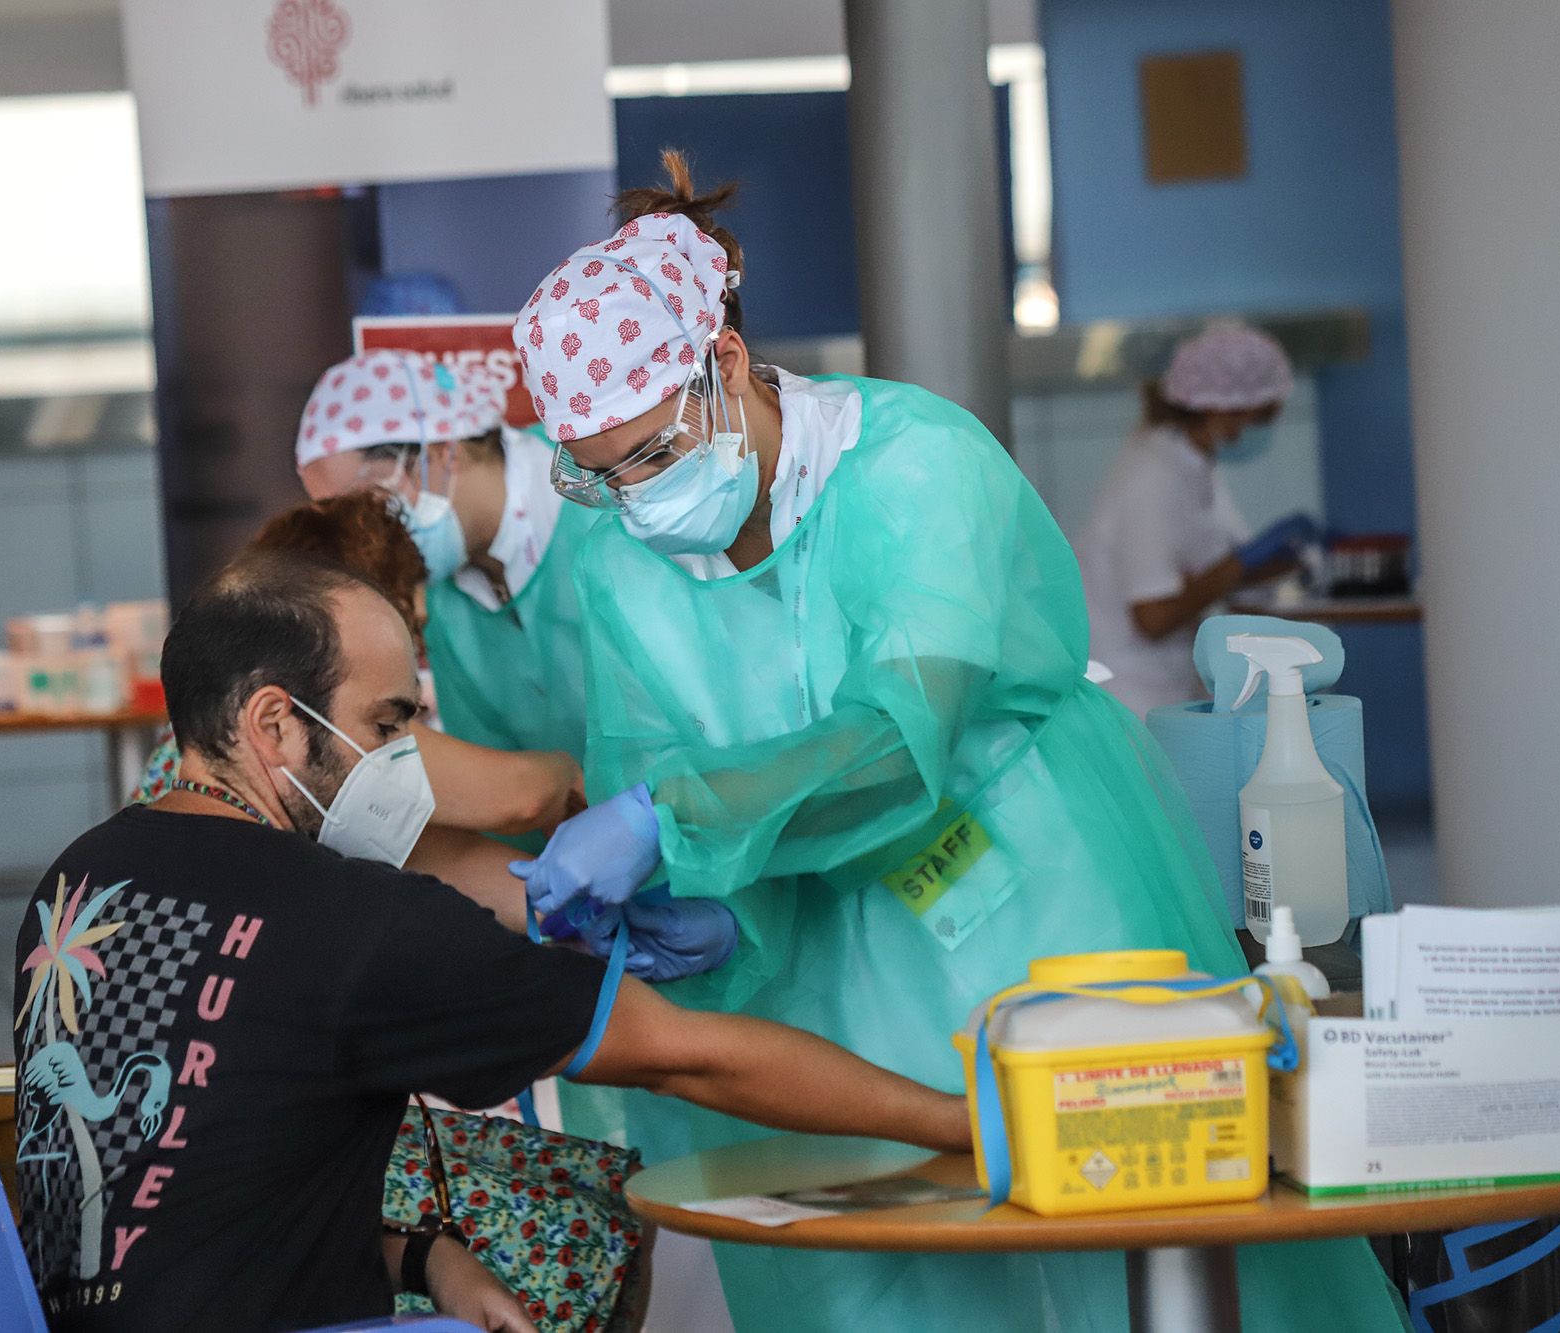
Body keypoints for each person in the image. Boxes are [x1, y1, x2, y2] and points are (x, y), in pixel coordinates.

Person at [507, 154, 1403, 1331]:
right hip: (822, 956)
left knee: (1106, 1217)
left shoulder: (914, 464)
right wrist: (729, 907)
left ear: (722, 365)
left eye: (653, 457)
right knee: (880, 1260)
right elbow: (664, 748)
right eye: (601, 474)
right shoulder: (621, 554)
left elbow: (892, 738)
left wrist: (667, 818)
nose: (636, 500)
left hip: (1034, 884)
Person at [14, 548, 971, 1333]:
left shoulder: (80, 882)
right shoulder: (349, 922)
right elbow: (692, 1058)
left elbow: (188, 1195)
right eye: (387, 724)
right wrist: (961, 1123)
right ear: (274, 722)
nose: (402, 760)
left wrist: (425, 1254)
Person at [131, 491, 583, 866]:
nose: (420, 650)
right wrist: (570, 771)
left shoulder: (213, 735)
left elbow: (434, 856)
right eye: (408, 626)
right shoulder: (342, 734)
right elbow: (521, 798)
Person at [298, 350, 600, 766]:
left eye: (367, 508)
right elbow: (498, 782)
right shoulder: (443, 601)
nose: (362, 538)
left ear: (438, 454)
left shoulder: (598, 498)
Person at [1075, 321, 1320, 717]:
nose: (1254, 432)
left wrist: (1288, 558)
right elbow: (1152, 616)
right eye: (1255, 417)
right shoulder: (1152, 476)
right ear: (1221, 408)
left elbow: (1208, 566)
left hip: (1169, 684)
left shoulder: (1193, 468)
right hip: (1131, 694)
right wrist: (1236, 568)